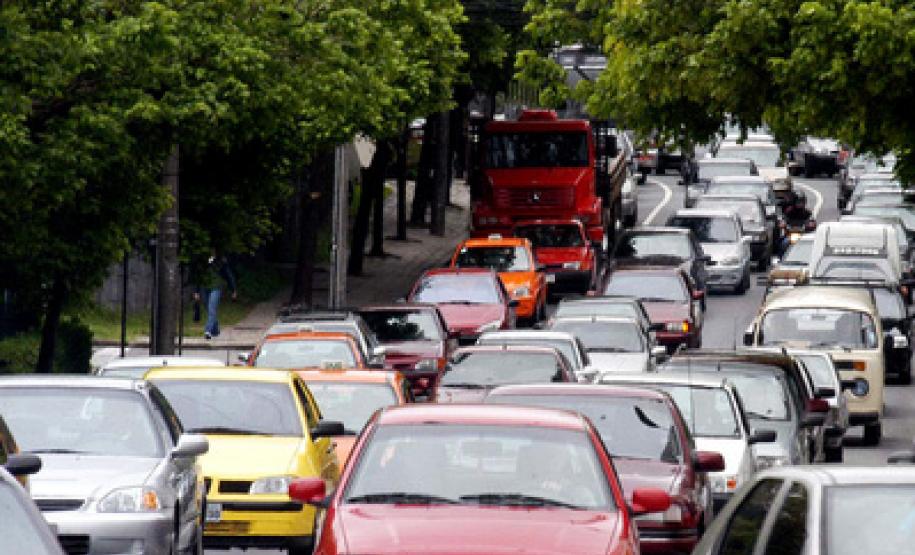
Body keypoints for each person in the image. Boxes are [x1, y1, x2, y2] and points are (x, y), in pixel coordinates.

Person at [193, 250, 237, 339]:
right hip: (204, 287)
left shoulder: (221, 262)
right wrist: (196, 291)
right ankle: (215, 330)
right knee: (208, 308)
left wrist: (233, 290)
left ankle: (208, 330)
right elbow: (198, 276)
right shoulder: (202, 262)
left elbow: (229, 276)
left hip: (216, 287)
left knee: (212, 308)